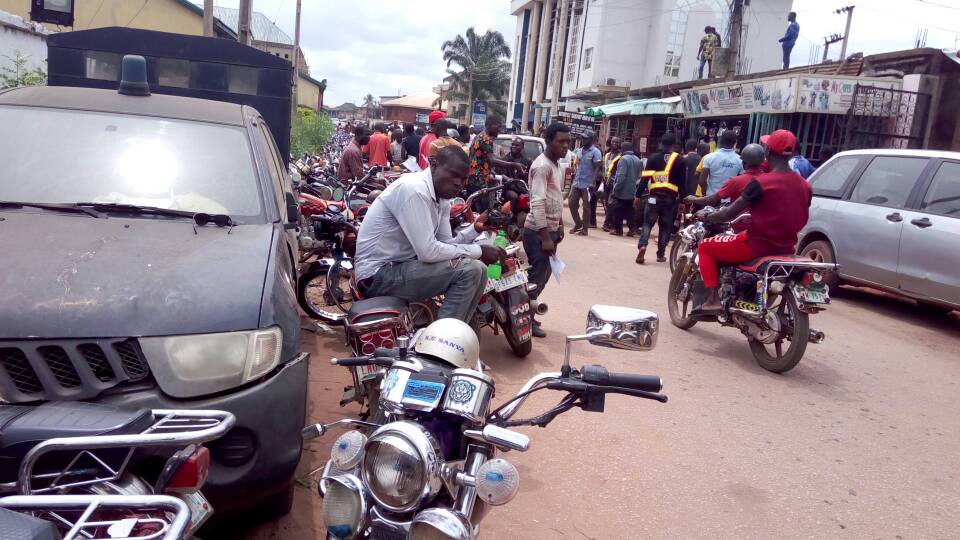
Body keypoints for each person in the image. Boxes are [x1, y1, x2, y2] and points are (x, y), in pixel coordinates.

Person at [353, 146, 506, 323]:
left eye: (464, 179)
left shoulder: (442, 199)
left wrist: (475, 229)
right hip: (377, 275)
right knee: (471, 270)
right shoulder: (415, 189)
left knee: (478, 271)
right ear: (434, 165)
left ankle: (456, 334)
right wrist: (479, 251)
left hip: (400, 267)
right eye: (454, 174)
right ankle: (443, 343)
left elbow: (447, 244)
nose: (459, 183)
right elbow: (428, 251)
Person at [693, 130, 812, 315]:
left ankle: (712, 299)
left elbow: (729, 213)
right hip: (787, 247)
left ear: (768, 151)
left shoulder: (762, 182)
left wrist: (708, 217)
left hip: (755, 245)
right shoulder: (805, 185)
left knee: (705, 246)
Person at [523, 122, 570, 338]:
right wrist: (545, 237)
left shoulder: (556, 165)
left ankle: (526, 315)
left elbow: (556, 197)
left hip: (549, 229)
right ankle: (524, 319)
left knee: (543, 275)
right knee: (536, 277)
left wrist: (559, 224)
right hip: (537, 231)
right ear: (549, 141)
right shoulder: (542, 166)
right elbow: (538, 201)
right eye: (561, 141)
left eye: (568, 142)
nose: (565, 146)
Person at [635, 132, 685, 264]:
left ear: (661, 143)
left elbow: (644, 179)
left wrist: (637, 195)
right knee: (665, 226)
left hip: (653, 198)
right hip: (670, 199)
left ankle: (643, 245)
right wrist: (682, 200)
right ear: (674, 145)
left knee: (647, 223)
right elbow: (682, 183)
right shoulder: (680, 160)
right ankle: (660, 254)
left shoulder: (653, 158)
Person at [685, 143, 766, 208]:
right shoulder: (767, 179)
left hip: (734, 218)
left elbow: (712, 200)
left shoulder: (736, 181)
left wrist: (694, 199)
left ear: (743, 162)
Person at [467, 115, 524, 195]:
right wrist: (514, 165)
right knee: (483, 207)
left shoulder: (479, 136)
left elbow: (484, 158)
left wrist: (491, 169)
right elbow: (492, 161)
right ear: (490, 125)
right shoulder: (486, 139)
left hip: (473, 179)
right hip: (479, 182)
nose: (500, 130)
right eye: (498, 126)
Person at [568, 130, 602, 235]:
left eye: (585, 138)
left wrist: (593, 182)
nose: (583, 140)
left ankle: (585, 229)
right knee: (571, 202)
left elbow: (597, 168)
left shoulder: (596, 152)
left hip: (588, 184)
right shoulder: (579, 150)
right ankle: (578, 223)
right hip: (577, 181)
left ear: (591, 140)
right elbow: (576, 164)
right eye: (582, 138)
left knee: (586, 207)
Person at [608, 141, 641, 236]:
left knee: (618, 210)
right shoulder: (637, 160)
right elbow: (639, 176)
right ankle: (632, 229)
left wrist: (616, 188)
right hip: (633, 190)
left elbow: (621, 176)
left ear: (623, 149)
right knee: (630, 210)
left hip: (622, 190)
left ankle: (618, 230)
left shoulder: (623, 159)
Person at [699, 130, 744, 196]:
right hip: (729, 201)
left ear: (720, 141)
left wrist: (704, 193)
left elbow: (702, 181)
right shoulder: (740, 160)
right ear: (735, 142)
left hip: (710, 197)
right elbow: (741, 183)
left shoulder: (709, 157)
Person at [601, 136, 623, 232]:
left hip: (614, 183)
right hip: (606, 182)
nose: (615, 143)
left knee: (611, 204)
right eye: (613, 142)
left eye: (617, 142)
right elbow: (604, 167)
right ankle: (609, 223)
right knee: (607, 204)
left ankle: (607, 223)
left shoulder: (621, 156)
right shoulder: (608, 154)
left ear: (620, 143)